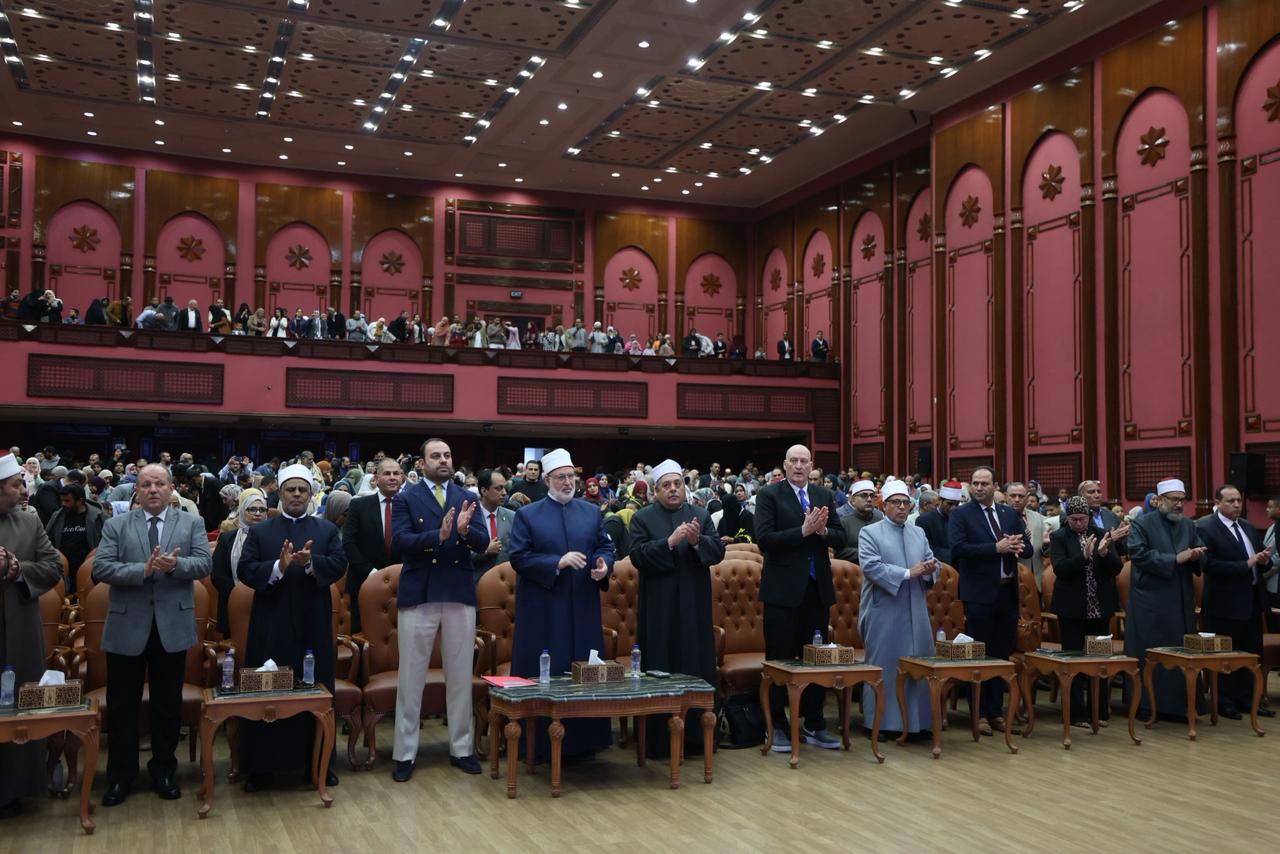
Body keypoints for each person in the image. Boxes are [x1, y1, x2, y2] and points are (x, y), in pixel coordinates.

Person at [92, 464, 212, 807]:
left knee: (167, 704)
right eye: (146, 484)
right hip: (127, 624)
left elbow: (204, 564)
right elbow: (101, 568)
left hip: (172, 625)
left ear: (172, 488)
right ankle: (120, 775)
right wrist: (141, 571)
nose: (153, 489)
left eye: (160, 483)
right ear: (137, 490)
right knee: (122, 705)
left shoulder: (191, 522)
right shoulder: (116, 525)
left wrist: (176, 566)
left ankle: (164, 770)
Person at [236, 465, 346, 791]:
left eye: (302, 490)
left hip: (314, 622)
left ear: (311, 494)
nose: (296, 495)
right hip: (271, 624)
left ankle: (319, 765)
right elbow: (245, 570)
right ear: (280, 494)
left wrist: (311, 563)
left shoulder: (326, 530)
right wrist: (278, 566)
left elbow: (339, 565)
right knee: (268, 691)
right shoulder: (261, 531)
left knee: (315, 691)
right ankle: (261, 768)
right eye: (290, 490)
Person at [387, 439, 488, 781]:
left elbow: (483, 543)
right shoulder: (406, 497)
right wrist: (438, 535)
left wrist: (464, 532)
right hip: (420, 592)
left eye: (447, 455)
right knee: (411, 677)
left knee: (460, 676)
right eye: (436, 456)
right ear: (422, 463)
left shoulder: (467, 496)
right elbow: (400, 541)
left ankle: (462, 748)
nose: (443, 460)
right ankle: (405, 753)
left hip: (458, 590)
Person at [508, 448, 614, 760]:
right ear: (547, 481)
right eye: (560, 478)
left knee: (584, 671)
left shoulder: (591, 512)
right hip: (544, 609)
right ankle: (539, 746)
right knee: (549, 672)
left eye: (571, 477)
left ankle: (586, 744)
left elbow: (605, 547)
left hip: (583, 605)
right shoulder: (528, 515)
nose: (568, 482)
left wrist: (604, 564)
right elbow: (519, 557)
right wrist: (557, 562)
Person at [628, 459, 725, 755]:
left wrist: (696, 542)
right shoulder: (642, 518)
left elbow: (717, 552)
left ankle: (697, 738)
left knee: (696, 666)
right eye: (666, 485)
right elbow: (637, 556)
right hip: (658, 609)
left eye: (677, 484)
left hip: (694, 608)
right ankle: (657, 742)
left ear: (684, 487)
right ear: (656, 491)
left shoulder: (700, 515)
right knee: (660, 667)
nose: (673, 489)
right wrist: (668, 543)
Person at [754, 444, 847, 752]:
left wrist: (823, 533)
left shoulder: (823, 495)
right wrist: (803, 531)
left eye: (803, 461)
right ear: (785, 464)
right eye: (792, 460)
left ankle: (814, 722)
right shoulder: (769, 495)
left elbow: (842, 536)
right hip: (782, 591)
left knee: (816, 659)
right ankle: (777, 726)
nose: (798, 465)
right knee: (780, 660)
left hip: (816, 589)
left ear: (811, 466)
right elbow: (764, 540)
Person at [0, 452, 64, 817]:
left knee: (20, 703)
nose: (23, 491)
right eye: (15, 485)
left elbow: (52, 567)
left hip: (20, 626)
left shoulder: (28, 521)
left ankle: (16, 788)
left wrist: (15, 569)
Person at [948, 466, 1030, 734]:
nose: (979, 487)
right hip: (979, 596)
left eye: (984, 483)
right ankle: (979, 713)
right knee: (979, 656)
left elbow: (1028, 548)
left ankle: (996, 712)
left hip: (1007, 594)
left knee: (1001, 655)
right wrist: (996, 548)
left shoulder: (1008, 513)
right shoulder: (961, 514)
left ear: (995, 486)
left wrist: (1018, 546)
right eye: (975, 483)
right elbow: (958, 548)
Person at [857, 480, 938, 738]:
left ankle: (916, 724)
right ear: (884, 506)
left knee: (918, 663)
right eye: (896, 503)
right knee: (886, 665)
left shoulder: (918, 532)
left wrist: (929, 570)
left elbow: (930, 560)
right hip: (884, 609)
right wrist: (906, 573)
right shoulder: (870, 532)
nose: (902, 507)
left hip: (916, 607)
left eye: (905, 503)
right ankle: (879, 724)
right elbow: (871, 566)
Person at [1125, 478, 1206, 720]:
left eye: (1182, 500)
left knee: (1180, 652)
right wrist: (1175, 559)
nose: (1179, 505)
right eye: (1174, 500)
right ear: (1159, 500)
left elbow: (1199, 551)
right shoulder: (1142, 523)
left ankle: (1180, 707)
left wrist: (1197, 556)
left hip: (1181, 599)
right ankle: (1146, 706)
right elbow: (1138, 554)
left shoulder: (1188, 525)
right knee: (1151, 652)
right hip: (1151, 600)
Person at [1197, 484, 1274, 719]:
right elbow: (1209, 565)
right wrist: (1246, 564)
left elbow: (1259, 558)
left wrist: (1265, 561)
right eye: (1231, 501)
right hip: (1224, 602)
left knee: (1251, 653)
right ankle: (1224, 701)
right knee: (1227, 654)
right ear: (1217, 503)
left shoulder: (1247, 526)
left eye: (1239, 500)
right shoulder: (1206, 527)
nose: (1237, 505)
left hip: (1252, 599)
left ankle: (1249, 700)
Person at [1048, 496, 1123, 727]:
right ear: (1067, 519)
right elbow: (1060, 569)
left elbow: (1117, 568)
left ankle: (1098, 713)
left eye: (1082, 519)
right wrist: (1083, 557)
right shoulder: (1059, 537)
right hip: (1071, 609)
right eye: (1074, 519)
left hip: (1100, 607)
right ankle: (1076, 715)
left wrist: (1104, 553)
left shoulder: (1101, 534)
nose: (1078, 523)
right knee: (1074, 662)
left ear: (1089, 518)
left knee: (1099, 661)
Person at [341, 458, 404, 634]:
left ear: (402, 477)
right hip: (364, 582)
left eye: (396, 473)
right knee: (364, 639)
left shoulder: (411, 505)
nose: (392, 477)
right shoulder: (359, 505)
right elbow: (349, 543)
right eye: (387, 473)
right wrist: (372, 573)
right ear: (376, 479)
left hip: (403, 585)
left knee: (400, 640)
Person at [209, 490, 267, 636]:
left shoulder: (274, 538)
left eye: (262, 510)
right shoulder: (227, 538)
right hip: (231, 601)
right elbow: (218, 575)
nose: (257, 513)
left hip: (266, 601)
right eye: (252, 509)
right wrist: (239, 594)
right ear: (242, 511)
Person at [45, 483, 104, 589]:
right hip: (64, 571)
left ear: (80, 501)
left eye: (67, 501)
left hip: (89, 572)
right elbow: (47, 540)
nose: (63, 504)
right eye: (62, 500)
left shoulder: (98, 517)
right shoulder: (57, 517)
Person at [471, 468, 514, 584]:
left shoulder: (512, 517)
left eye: (505, 488)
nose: (504, 493)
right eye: (498, 488)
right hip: (476, 583)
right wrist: (485, 551)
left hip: (506, 585)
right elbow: (460, 553)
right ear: (484, 491)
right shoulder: (470, 517)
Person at [1006, 481, 1048, 589]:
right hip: (1010, 579)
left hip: (1037, 579)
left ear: (1027, 497)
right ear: (1006, 496)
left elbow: (1045, 552)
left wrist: (1046, 546)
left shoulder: (1040, 518)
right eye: (1013, 496)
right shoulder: (997, 518)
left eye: (1021, 496)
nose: (1017, 499)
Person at [916, 480, 962, 565]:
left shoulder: (961, 519)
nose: (953, 508)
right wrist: (956, 554)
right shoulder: (924, 520)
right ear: (939, 500)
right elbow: (926, 549)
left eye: (956, 504)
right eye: (950, 504)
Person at [836, 479, 882, 564]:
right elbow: (839, 552)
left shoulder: (881, 522)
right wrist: (865, 553)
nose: (869, 499)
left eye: (872, 496)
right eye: (864, 496)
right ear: (853, 500)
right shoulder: (844, 522)